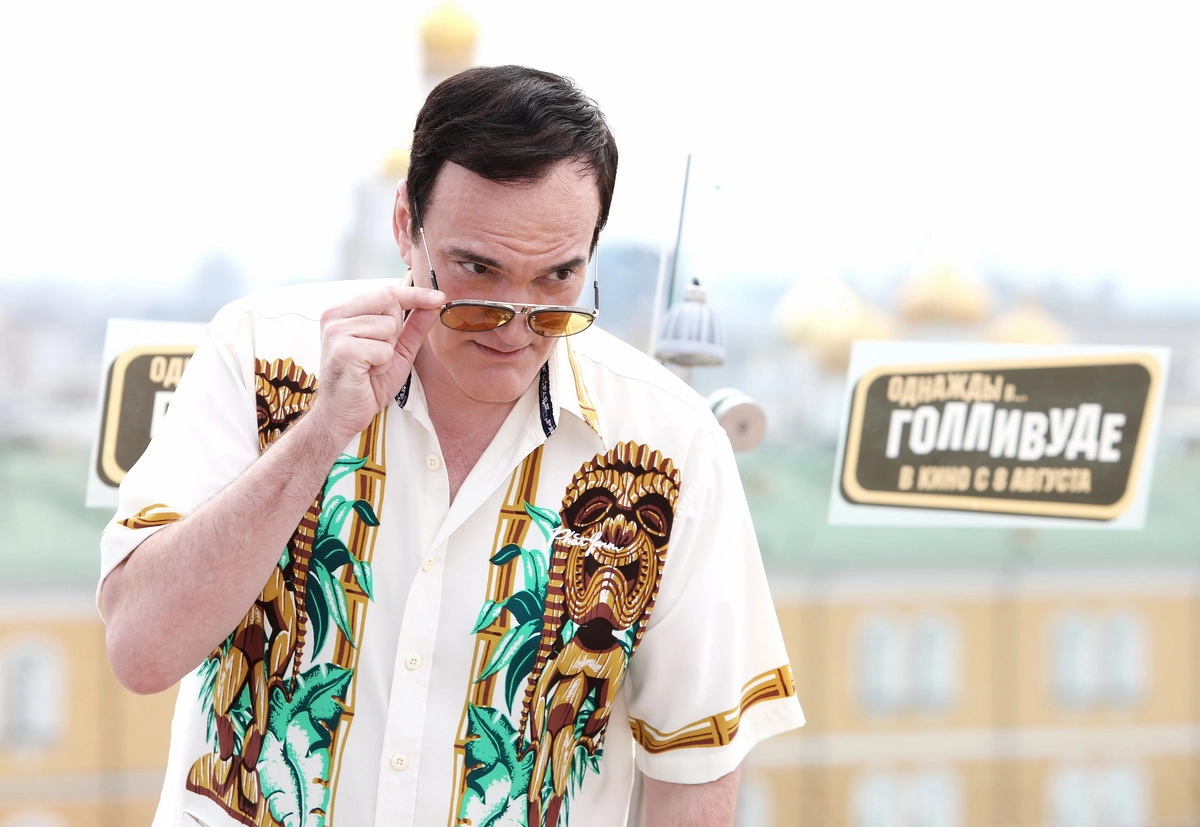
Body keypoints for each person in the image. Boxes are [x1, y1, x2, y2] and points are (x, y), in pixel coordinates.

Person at [99, 65, 804, 827]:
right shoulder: (259, 353)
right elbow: (142, 649)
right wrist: (320, 433)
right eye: (479, 271)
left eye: (558, 277)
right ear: (407, 224)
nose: (516, 323)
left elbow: (694, 776)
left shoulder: (671, 443)